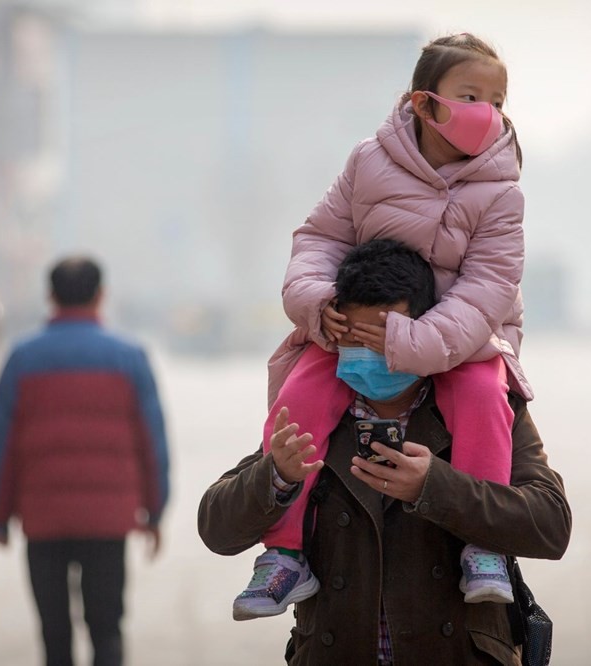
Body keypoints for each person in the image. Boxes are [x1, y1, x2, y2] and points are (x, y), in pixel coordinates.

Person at [234, 32, 532, 619]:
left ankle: (484, 550)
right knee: (300, 392)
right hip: (360, 327)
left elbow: (489, 287)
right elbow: (319, 239)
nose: (488, 113)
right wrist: (322, 306)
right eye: (470, 95)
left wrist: (412, 342)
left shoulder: (502, 191)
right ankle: (284, 555)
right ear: (424, 103)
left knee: (480, 397)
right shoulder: (368, 161)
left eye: (497, 100)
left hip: (461, 340)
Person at [199, 240, 571, 664]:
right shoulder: (314, 416)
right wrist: (277, 475)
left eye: (383, 339)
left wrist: (435, 487)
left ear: (424, 331)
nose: (369, 357)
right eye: (354, 342)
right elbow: (216, 527)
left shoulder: (486, 406)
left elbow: (550, 524)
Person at [0, 256, 170, 666]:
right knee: (107, 629)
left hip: (43, 519)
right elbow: (151, 441)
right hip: (108, 521)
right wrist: (155, 511)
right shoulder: (129, 358)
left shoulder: (21, 359)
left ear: (50, 296)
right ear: (101, 295)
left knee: (54, 634)